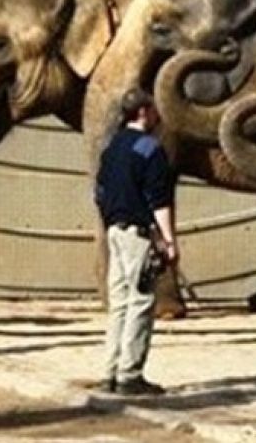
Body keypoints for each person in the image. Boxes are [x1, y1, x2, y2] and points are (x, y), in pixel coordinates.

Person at [94, 87, 178, 395]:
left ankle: (110, 372)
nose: (157, 115)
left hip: (114, 232)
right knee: (141, 301)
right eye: (154, 110)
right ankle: (130, 375)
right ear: (143, 112)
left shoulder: (111, 148)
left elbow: (100, 194)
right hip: (138, 234)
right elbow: (159, 201)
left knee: (118, 304)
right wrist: (169, 241)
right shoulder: (149, 149)